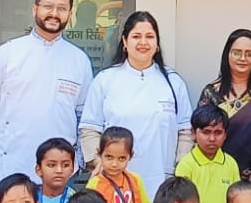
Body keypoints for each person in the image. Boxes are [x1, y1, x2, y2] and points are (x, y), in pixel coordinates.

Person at [0, 0, 94, 203]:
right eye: (48, 6)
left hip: (58, 181)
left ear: (70, 14)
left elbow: (84, 121)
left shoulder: (79, 60)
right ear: (34, 9)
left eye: (62, 8)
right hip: (6, 173)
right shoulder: (8, 53)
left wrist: (75, 165)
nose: (54, 14)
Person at [81, 11, 194, 188]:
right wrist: (100, 164)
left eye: (149, 36)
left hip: (162, 185)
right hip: (115, 182)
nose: (143, 42)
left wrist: (178, 169)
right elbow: (89, 129)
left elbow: (186, 131)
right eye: (136, 36)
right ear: (125, 42)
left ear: (157, 44)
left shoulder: (173, 82)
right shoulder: (105, 80)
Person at [198, 29, 251, 175]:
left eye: (249, 54)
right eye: (237, 52)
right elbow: (200, 133)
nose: (243, 58)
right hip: (216, 172)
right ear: (227, 55)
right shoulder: (211, 93)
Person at [175, 104, 241, 203]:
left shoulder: (230, 163)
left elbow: (236, 202)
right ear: (194, 133)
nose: (212, 138)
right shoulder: (186, 165)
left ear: (225, 135)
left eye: (218, 132)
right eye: (206, 132)